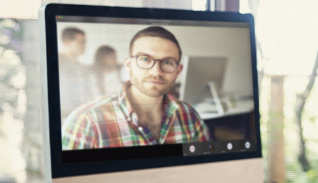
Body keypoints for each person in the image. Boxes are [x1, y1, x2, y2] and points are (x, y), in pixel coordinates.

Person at [62, 26, 211, 149]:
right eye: (145, 59)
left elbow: (206, 173)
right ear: (129, 65)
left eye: (167, 62)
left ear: (178, 71)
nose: (156, 72)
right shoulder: (85, 121)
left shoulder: (190, 116)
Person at [58, 26, 92, 119]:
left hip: (80, 117)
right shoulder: (54, 63)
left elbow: (88, 93)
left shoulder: (83, 68)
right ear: (66, 42)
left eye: (84, 43)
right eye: (80, 43)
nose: (84, 47)